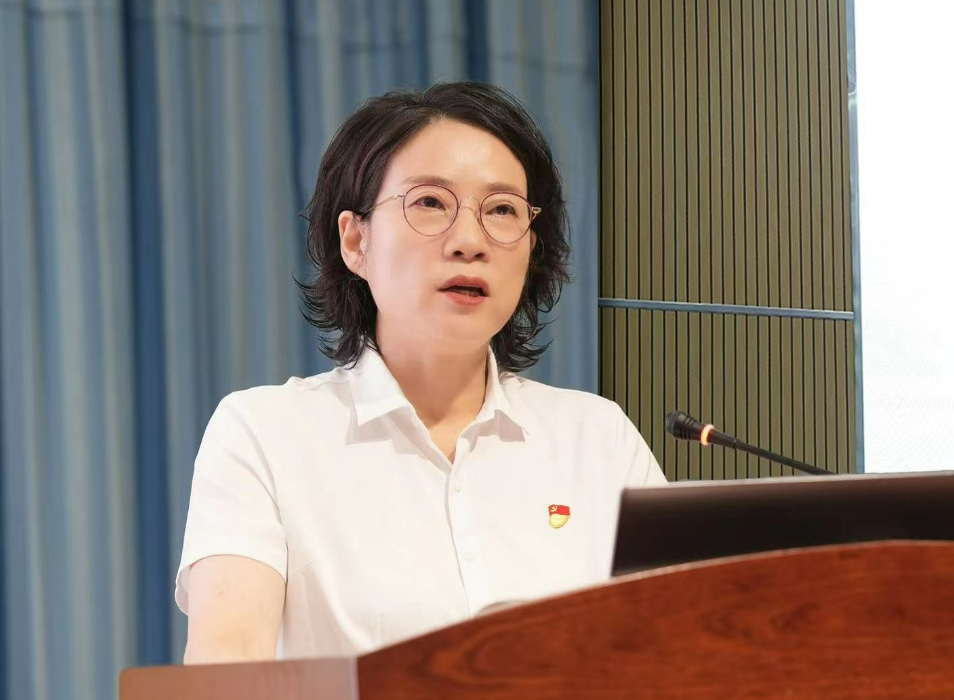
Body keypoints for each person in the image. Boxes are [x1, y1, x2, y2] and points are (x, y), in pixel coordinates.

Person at [175, 81, 666, 665]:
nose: (470, 242)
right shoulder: (265, 433)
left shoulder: (598, 437)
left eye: (502, 210)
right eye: (430, 202)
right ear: (355, 241)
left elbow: (685, 648)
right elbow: (227, 664)